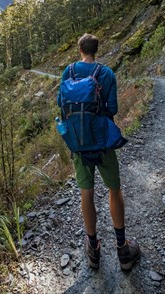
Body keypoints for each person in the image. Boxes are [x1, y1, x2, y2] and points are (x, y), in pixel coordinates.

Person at [57, 33, 140, 271]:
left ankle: (93, 250)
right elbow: (112, 108)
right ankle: (123, 250)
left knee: (86, 192)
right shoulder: (106, 73)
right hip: (103, 143)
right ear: (96, 50)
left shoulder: (68, 72)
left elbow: (59, 103)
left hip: (79, 144)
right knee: (114, 190)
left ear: (79, 49)